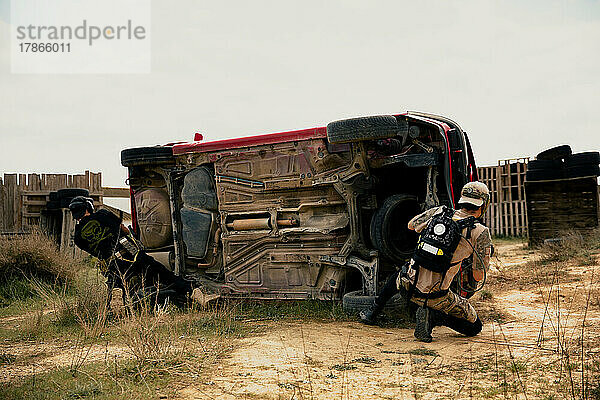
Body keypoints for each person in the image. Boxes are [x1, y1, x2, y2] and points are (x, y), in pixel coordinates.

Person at [359, 182, 493, 342]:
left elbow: (411, 225)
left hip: (407, 285)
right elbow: (478, 276)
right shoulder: (480, 232)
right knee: (475, 327)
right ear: (483, 205)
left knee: (401, 271)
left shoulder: (439, 212)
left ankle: (372, 311)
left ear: (462, 200)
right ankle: (434, 317)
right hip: (436, 296)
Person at [68, 196, 196, 309]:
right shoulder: (102, 214)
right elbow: (124, 229)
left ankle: (115, 301)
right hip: (130, 253)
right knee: (161, 273)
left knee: (116, 283)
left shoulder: (78, 237)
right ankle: (192, 291)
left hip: (112, 263)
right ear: (88, 207)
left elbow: (96, 253)